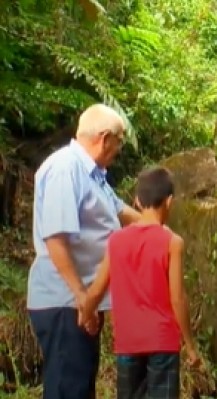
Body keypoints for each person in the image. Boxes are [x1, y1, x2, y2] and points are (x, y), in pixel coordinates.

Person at [26, 103, 142, 399]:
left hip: (83, 304)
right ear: (105, 138)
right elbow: (55, 238)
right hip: (66, 303)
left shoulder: (94, 175)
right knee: (69, 389)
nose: (119, 150)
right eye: (119, 142)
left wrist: (154, 227)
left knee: (80, 387)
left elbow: (120, 211)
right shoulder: (65, 168)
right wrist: (81, 296)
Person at [79, 166, 200, 399]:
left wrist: (86, 315)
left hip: (128, 342)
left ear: (136, 201)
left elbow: (96, 290)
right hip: (163, 343)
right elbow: (177, 298)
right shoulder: (172, 242)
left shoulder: (116, 241)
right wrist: (191, 345)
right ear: (169, 202)